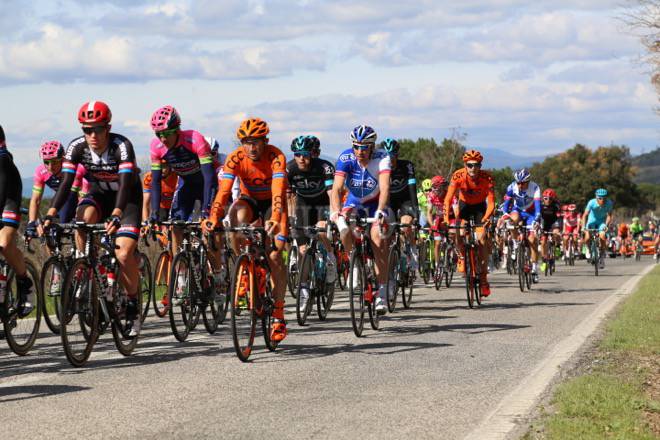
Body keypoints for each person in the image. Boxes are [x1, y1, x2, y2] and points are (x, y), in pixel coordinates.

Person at [43, 101, 143, 336]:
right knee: (82, 218)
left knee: (123, 254)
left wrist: (117, 214)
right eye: (87, 130)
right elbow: (66, 183)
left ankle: (132, 305)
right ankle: (87, 264)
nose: (92, 135)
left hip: (126, 199)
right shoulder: (77, 147)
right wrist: (50, 214)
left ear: (107, 127)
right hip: (99, 195)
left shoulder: (122, 145)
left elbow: (126, 184)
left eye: (97, 129)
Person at [204, 117, 289, 342]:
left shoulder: (276, 156)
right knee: (234, 217)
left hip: (273, 203)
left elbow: (279, 191)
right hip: (249, 199)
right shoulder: (236, 158)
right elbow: (223, 193)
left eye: (256, 142)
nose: (251, 147)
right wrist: (213, 217)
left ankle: (279, 313)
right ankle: (244, 265)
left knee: (274, 255)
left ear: (265, 141)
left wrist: (276, 217)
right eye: (247, 142)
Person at [329, 125, 391, 313]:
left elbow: (385, 188)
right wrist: (337, 211)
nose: (359, 151)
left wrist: (380, 211)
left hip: (375, 204)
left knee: (378, 239)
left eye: (364, 147)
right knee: (344, 226)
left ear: (372, 146)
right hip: (354, 203)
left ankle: (382, 293)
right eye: (356, 146)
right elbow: (337, 188)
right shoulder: (346, 157)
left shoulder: (382, 158)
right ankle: (353, 262)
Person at [286, 135, 337, 308]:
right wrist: (289, 217)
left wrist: (334, 214)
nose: (302, 158)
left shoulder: (324, 167)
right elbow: (288, 196)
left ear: (312, 154)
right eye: (298, 154)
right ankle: (304, 288)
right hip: (303, 205)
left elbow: (332, 193)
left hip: (322, 203)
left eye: (305, 154)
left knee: (321, 229)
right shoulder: (290, 169)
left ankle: (330, 258)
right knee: (302, 250)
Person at [444, 150, 495, 296]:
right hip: (464, 205)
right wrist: (447, 219)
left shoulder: (487, 177)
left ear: (480, 166)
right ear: (465, 165)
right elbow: (448, 199)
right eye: (470, 165)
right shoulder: (458, 176)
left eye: (476, 165)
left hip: (480, 207)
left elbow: (491, 202)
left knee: (482, 238)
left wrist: (485, 219)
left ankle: (484, 277)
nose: (473, 168)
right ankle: (461, 256)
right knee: (459, 230)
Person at [0, 125, 35, 317]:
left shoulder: (3, 159)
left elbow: (2, 189)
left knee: (4, 244)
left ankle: (24, 282)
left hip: (8, 199)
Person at [27, 141, 86, 238]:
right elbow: (35, 200)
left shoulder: (76, 168)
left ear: (63, 159)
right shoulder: (40, 172)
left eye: (54, 162)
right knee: (46, 228)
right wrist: (31, 222)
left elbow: (77, 195)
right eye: (46, 162)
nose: (50, 167)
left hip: (81, 196)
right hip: (61, 201)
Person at [380, 138, 419, 269]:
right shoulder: (380, 167)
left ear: (397, 155)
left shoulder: (407, 166)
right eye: (387, 156)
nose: (390, 159)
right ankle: (396, 254)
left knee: (405, 226)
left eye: (392, 156)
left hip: (405, 200)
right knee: (386, 230)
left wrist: (416, 211)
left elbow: (412, 190)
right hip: (389, 201)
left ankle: (413, 251)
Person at [501, 168, 542, 282]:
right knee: (512, 219)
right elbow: (507, 203)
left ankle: (534, 267)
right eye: (518, 182)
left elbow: (538, 205)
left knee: (532, 240)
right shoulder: (511, 187)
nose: (520, 185)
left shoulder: (535, 188)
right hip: (517, 210)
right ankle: (515, 243)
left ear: (528, 182)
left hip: (531, 213)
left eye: (522, 183)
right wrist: (505, 213)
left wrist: (537, 217)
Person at [582, 188, 613, 269]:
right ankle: (588, 249)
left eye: (604, 198)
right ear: (596, 197)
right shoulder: (591, 202)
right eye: (600, 198)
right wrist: (583, 227)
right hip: (591, 221)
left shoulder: (609, 203)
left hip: (601, 222)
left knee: (602, 236)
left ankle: (602, 257)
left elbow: (609, 215)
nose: (602, 200)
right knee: (587, 237)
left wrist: (606, 225)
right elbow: (585, 215)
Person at [539, 188, 561, 273]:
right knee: (543, 242)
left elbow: (559, 217)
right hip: (544, 223)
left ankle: (558, 246)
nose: (548, 200)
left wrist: (558, 229)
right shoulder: (540, 205)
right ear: (543, 198)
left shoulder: (556, 205)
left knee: (556, 234)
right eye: (545, 198)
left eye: (550, 199)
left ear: (553, 199)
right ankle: (544, 260)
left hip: (554, 222)